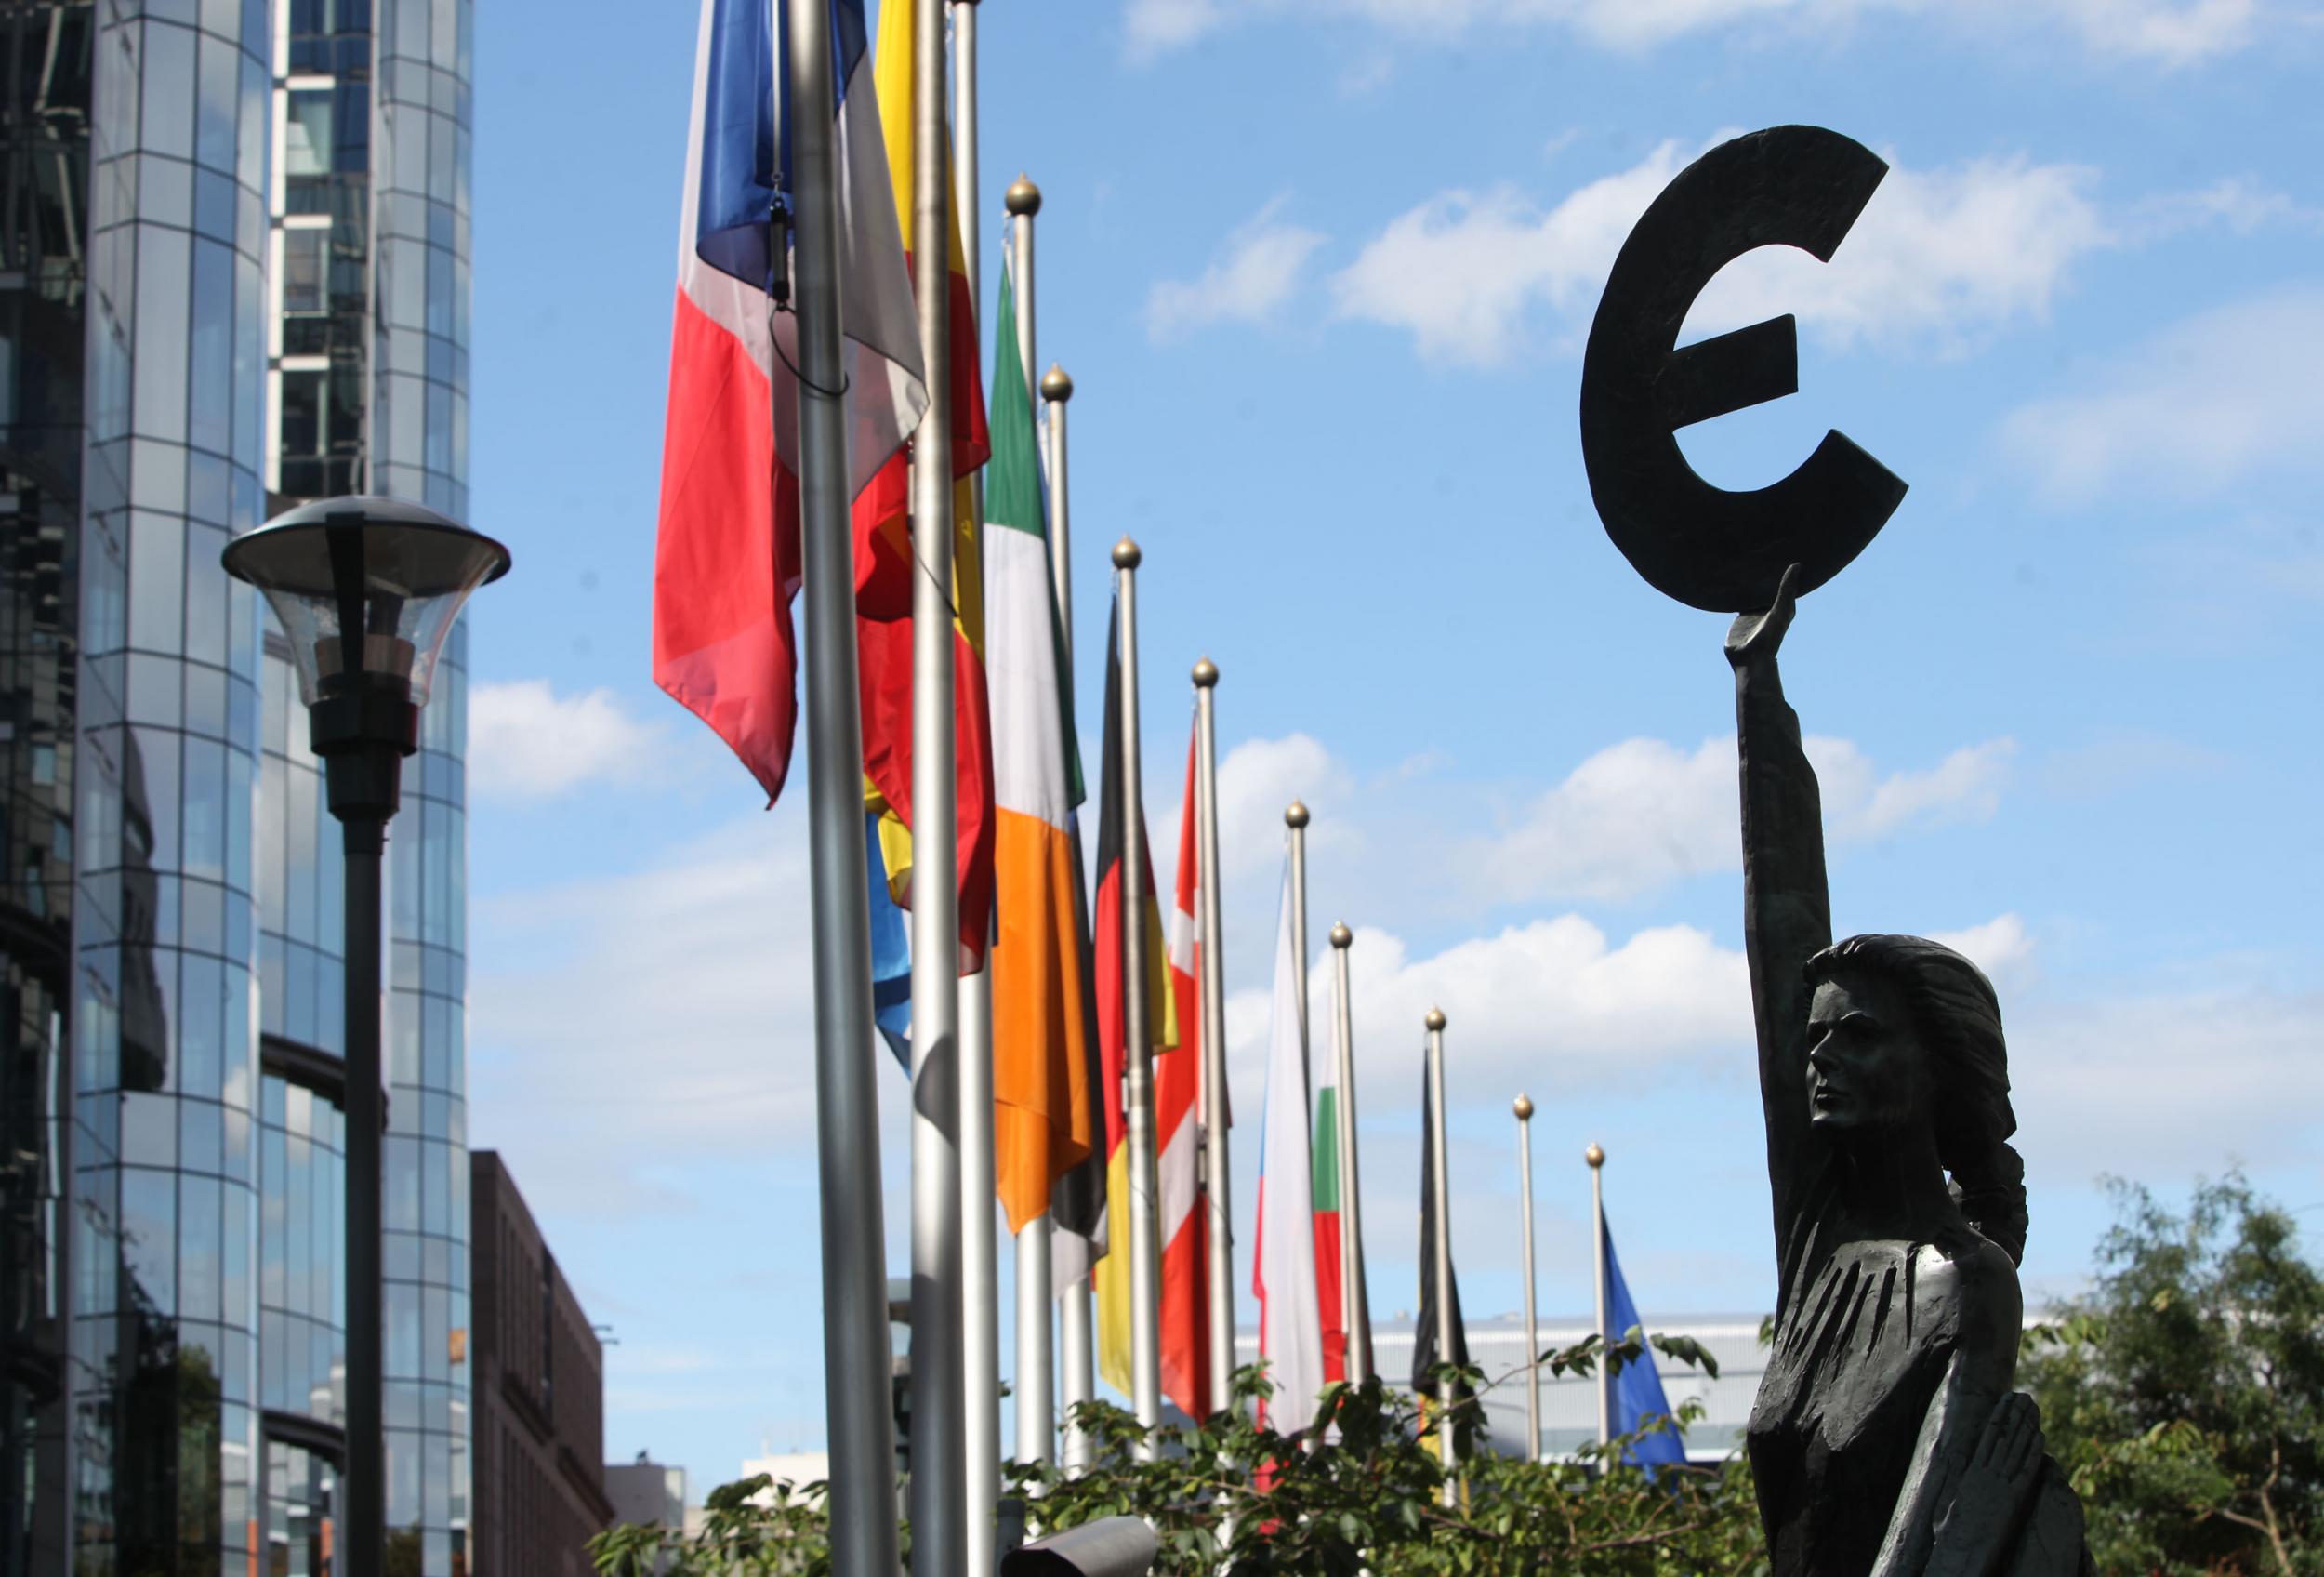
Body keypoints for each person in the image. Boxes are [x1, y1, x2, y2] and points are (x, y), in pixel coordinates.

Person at [1729, 566, 2090, 1577]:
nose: (1819, 1057)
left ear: (1937, 1071)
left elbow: (1921, 1539)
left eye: (1857, 1036)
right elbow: (1780, 918)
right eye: (1814, 1038)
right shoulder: (1817, 1245)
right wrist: (1757, 693)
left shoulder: (1966, 1285)